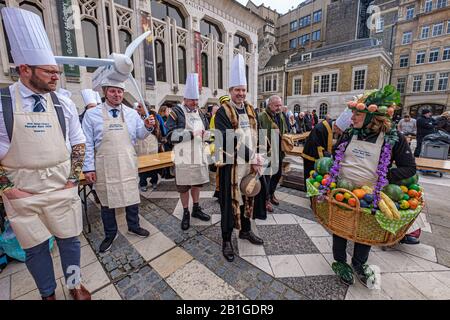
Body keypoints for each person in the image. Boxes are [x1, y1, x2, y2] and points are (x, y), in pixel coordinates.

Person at [0, 8, 90, 300]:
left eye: (57, 72)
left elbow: (78, 144)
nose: (56, 76)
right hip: (22, 192)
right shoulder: (3, 103)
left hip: (61, 186)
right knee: (35, 249)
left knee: (71, 241)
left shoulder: (63, 103)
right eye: (49, 71)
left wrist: (72, 179)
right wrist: (8, 189)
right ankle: (48, 293)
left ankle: (75, 284)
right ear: (25, 69)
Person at [331, 93, 416, 287]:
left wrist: (384, 177)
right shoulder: (350, 132)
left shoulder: (393, 137)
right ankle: (340, 261)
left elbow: (409, 167)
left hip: (371, 195)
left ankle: (359, 263)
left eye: (356, 115)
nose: (351, 119)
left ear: (371, 116)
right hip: (344, 193)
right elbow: (336, 153)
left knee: (365, 230)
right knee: (340, 227)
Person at [82, 79, 155, 253]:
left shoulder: (131, 113)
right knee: (107, 201)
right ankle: (110, 233)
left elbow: (140, 135)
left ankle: (134, 226)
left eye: (120, 91)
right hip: (105, 164)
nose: (117, 95)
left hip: (127, 162)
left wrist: (147, 127)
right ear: (105, 91)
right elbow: (87, 143)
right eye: (113, 91)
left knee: (131, 197)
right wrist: (88, 168)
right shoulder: (92, 115)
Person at [215, 54, 265, 262]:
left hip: (251, 165)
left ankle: (245, 230)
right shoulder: (222, 112)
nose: (241, 94)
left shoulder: (251, 109)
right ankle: (227, 239)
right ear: (230, 91)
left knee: (249, 197)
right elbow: (228, 141)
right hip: (231, 166)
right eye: (237, 90)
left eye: (243, 90)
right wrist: (252, 156)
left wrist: (260, 155)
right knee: (229, 203)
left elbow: (259, 134)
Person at [166, 74, 211, 230]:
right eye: (192, 100)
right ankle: (185, 211)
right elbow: (170, 135)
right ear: (185, 98)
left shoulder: (201, 113)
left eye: (197, 100)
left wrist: (208, 135)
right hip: (183, 156)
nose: (195, 103)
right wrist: (191, 134)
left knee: (197, 183)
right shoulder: (176, 112)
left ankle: (196, 208)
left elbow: (207, 131)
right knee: (184, 186)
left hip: (198, 153)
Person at [301, 108, 353, 186]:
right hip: (311, 157)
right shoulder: (320, 128)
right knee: (311, 177)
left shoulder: (334, 127)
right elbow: (317, 147)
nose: (339, 133)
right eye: (339, 131)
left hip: (322, 158)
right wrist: (331, 157)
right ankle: (310, 194)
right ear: (336, 126)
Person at [258, 95, 288, 212]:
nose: (279, 107)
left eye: (280, 105)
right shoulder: (261, 117)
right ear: (269, 105)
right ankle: (265, 200)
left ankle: (271, 193)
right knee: (266, 177)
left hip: (278, 151)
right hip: (266, 152)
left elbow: (284, 131)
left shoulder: (280, 116)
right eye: (276, 105)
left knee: (277, 174)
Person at [135, 102, 162, 192]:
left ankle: (154, 181)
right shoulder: (135, 116)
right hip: (140, 142)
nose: (137, 108)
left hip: (152, 141)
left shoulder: (153, 115)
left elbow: (158, 126)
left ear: (146, 107)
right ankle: (143, 183)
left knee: (153, 162)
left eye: (140, 106)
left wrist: (159, 137)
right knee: (142, 163)